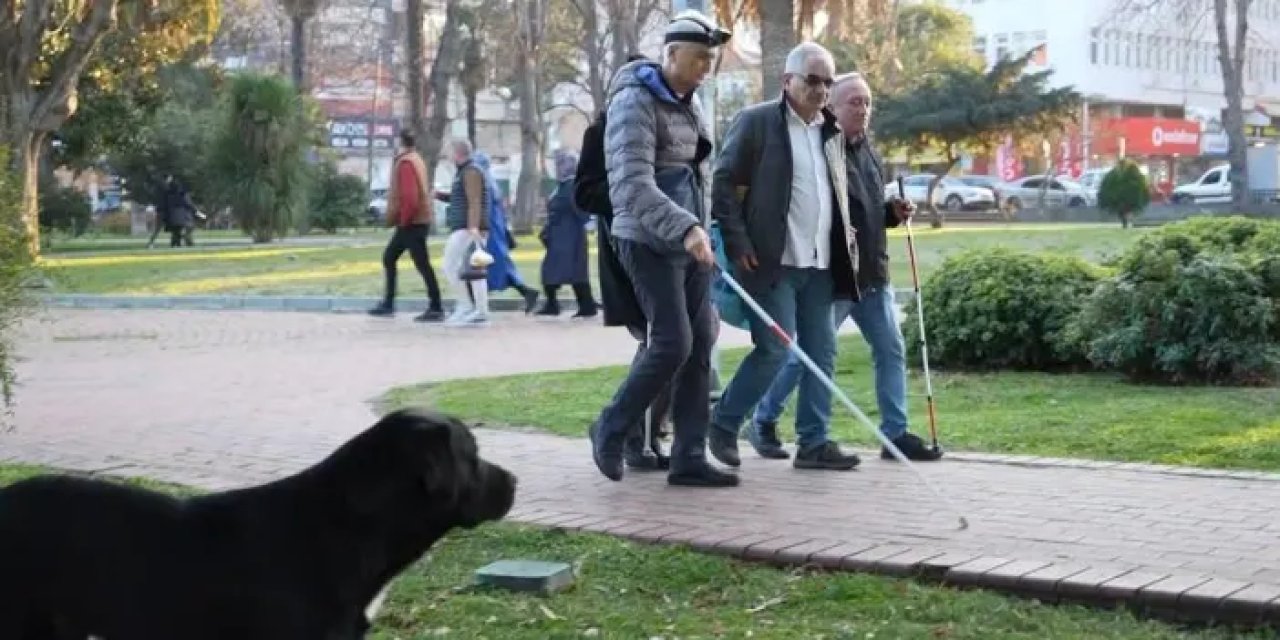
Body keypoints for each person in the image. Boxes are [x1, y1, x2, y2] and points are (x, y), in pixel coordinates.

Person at [749, 73, 942, 462]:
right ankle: (763, 418)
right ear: (831, 107)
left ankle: (895, 434)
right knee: (807, 357)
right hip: (836, 278)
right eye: (853, 101)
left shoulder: (868, 151)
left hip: (874, 273)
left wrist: (891, 213)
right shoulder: (822, 150)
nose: (863, 109)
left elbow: (867, 209)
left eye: (867, 102)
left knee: (891, 349)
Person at [587, 11, 736, 487]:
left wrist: (702, 230)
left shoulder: (690, 102)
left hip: (690, 243)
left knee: (700, 344)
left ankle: (689, 456)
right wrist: (687, 227)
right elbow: (630, 185)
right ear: (671, 54)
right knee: (672, 341)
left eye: (710, 61)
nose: (705, 69)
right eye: (698, 59)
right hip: (646, 239)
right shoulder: (634, 101)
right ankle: (610, 427)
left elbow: (697, 175)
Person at [708, 42, 862, 472]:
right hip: (773, 262)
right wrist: (738, 243)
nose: (820, 90)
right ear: (787, 81)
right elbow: (723, 185)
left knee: (822, 352)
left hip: (819, 265)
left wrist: (846, 228)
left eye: (827, 82)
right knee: (775, 348)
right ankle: (723, 424)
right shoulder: (757, 123)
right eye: (812, 80)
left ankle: (813, 443)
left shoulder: (830, 133)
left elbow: (835, 191)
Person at [369, 129, 446, 322]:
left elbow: (410, 197)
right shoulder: (416, 159)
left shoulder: (405, 163)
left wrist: (403, 221)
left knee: (419, 263)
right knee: (392, 257)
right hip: (417, 220)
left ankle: (435, 306)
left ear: (400, 142)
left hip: (412, 222)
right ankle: (389, 302)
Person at [473, 151, 541, 314]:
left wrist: (481, 228)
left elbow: (485, 208)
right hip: (496, 230)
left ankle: (477, 304)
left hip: (491, 232)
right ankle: (527, 293)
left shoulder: (484, 183)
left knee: (485, 267)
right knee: (495, 267)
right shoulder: (491, 181)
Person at [537, 150, 599, 318]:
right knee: (561, 271)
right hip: (560, 236)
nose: (557, 168)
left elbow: (580, 207)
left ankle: (583, 306)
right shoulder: (563, 185)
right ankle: (561, 304)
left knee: (566, 271)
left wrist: (588, 224)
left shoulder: (572, 185)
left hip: (570, 236)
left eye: (560, 164)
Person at [440, 139, 491, 327]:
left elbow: (475, 200)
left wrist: (473, 226)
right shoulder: (464, 172)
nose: (446, 155)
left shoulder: (471, 171)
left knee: (459, 267)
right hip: (467, 227)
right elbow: (461, 197)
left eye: (449, 151)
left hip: (468, 228)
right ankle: (473, 308)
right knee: (471, 270)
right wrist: (439, 195)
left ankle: (471, 307)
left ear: (457, 152)